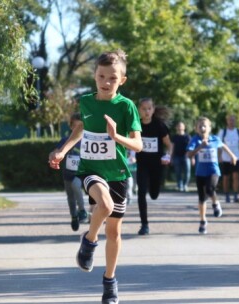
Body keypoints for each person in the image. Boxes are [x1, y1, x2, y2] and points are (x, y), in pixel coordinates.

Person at [48, 50, 142, 304]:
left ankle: (109, 282)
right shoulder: (87, 102)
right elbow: (81, 128)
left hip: (118, 173)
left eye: (112, 78)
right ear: (94, 76)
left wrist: (116, 137)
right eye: (101, 76)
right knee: (105, 205)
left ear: (122, 80)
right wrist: (63, 150)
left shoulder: (126, 106)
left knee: (114, 233)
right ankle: (89, 241)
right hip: (92, 169)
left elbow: (138, 145)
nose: (106, 82)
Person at [187, 117, 236, 234]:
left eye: (204, 126)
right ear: (196, 129)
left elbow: (223, 146)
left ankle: (215, 203)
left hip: (213, 170)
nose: (202, 128)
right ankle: (203, 221)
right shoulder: (195, 140)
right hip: (200, 173)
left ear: (209, 128)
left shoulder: (215, 139)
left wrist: (232, 156)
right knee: (202, 198)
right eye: (200, 126)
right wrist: (200, 147)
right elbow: (189, 154)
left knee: (210, 189)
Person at [135, 97, 172, 235]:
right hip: (142, 164)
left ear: (153, 109)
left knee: (154, 194)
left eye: (149, 108)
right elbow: (130, 141)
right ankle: (144, 224)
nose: (146, 111)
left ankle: (153, 186)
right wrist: (131, 153)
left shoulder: (159, 126)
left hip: (157, 164)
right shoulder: (136, 125)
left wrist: (168, 155)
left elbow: (169, 145)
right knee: (141, 193)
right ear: (139, 110)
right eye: (144, 109)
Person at [51, 113, 89, 231]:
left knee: (76, 185)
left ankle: (82, 210)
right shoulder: (65, 140)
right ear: (71, 127)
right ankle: (74, 216)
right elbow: (55, 152)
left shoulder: (87, 141)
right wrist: (52, 156)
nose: (78, 130)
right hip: (68, 174)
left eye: (81, 127)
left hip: (81, 172)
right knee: (70, 197)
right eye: (76, 127)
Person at [218, 114, 239, 203]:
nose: (231, 122)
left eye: (233, 120)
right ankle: (227, 195)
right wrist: (219, 156)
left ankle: (236, 195)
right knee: (226, 177)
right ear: (227, 121)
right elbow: (219, 145)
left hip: (236, 157)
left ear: (235, 121)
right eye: (230, 120)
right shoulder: (222, 132)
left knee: (236, 176)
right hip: (225, 158)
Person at [171, 121, 191, 192]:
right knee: (178, 172)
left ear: (184, 127)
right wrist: (171, 157)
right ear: (176, 127)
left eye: (181, 126)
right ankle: (180, 185)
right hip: (176, 156)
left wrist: (192, 157)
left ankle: (185, 185)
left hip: (186, 157)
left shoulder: (188, 136)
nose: (180, 127)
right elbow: (172, 148)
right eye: (178, 126)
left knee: (187, 172)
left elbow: (191, 147)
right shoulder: (174, 137)